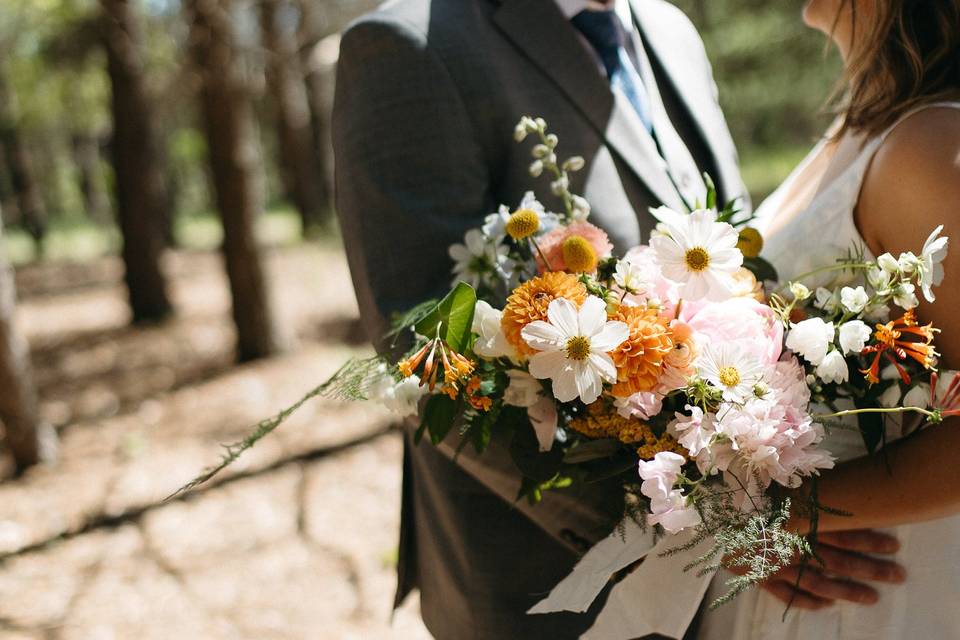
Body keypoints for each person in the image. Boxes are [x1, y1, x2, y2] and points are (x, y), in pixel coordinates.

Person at [333, 0, 904, 637]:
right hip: (545, 576)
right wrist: (703, 526)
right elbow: (424, 349)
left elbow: (731, 260)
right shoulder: (407, 47)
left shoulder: (669, 29)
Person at [697, 1, 960, 638]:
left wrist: (771, 519)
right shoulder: (863, 124)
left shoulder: (930, 146)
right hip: (801, 583)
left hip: (875, 591)